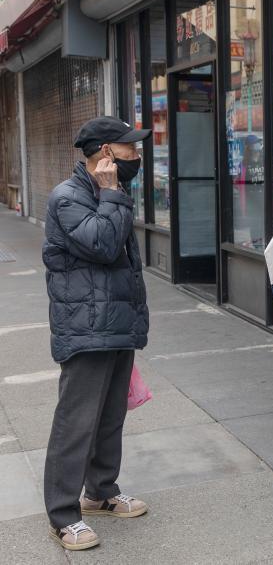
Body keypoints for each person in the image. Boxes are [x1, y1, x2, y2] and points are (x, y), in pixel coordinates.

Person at [42, 116, 152, 551]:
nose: (137, 155)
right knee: (76, 423)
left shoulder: (112, 193)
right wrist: (111, 194)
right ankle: (63, 515)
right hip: (85, 324)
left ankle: (101, 492)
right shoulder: (69, 197)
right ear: (105, 153)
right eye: (129, 149)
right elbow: (104, 246)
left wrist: (112, 194)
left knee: (109, 416)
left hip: (115, 321)